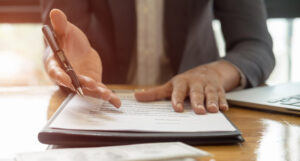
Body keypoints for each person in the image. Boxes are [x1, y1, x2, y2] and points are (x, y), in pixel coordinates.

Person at [41, 0, 275, 114]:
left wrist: (215, 73)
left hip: (196, 108)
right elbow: (61, 35)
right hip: (103, 106)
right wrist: (63, 62)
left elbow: (255, 45)